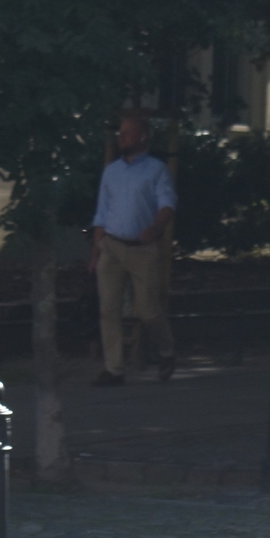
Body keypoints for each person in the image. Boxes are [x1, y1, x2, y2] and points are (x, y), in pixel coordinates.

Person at [91, 113, 178, 385]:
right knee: (108, 308)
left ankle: (167, 350)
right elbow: (102, 212)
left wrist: (156, 227)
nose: (122, 138)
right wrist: (96, 249)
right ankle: (114, 369)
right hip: (112, 245)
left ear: (142, 137)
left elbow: (167, 204)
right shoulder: (111, 171)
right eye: (120, 134)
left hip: (142, 248)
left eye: (128, 134)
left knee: (147, 310)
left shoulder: (156, 170)